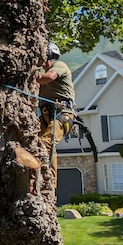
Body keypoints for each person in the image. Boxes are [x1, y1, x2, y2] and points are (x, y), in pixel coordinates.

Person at [36, 42, 75, 187]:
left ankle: (48, 181)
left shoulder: (59, 66)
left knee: (46, 142)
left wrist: (30, 76)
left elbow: (50, 77)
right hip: (46, 115)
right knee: (33, 141)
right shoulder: (42, 78)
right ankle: (42, 178)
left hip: (63, 114)